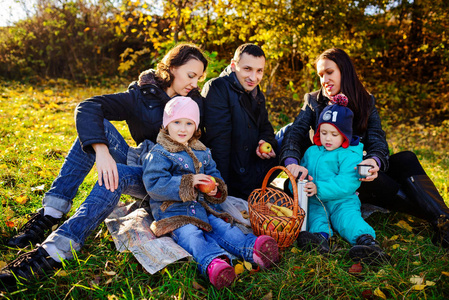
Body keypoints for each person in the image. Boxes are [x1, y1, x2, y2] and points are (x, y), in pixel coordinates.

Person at [0, 44, 208, 292]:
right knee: (95, 130)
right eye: (190, 75)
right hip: (141, 162)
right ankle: (51, 213)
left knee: (114, 176)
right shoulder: (143, 95)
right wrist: (101, 151)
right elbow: (88, 106)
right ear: (172, 68)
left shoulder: (197, 103)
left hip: (165, 180)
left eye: (199, 78)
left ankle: (55, 251)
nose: (195, 83)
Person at [280, 48, 449, 249]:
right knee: (361, 175)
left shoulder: (366, 101)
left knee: (405, 158)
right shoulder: (314, 101)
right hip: (333, 175)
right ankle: (430, 215)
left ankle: (444, 221)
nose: (324, 79)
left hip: (359, 170)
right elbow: (295, 133)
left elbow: (378, 140)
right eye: (320, 75)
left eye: (329, 72)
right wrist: (291, 163)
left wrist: (374, 160)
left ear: (344, 70)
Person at [142, 96, 279, 290]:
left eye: (189, 123)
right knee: (191, 236)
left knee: (224, 229)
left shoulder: (202, 151)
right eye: (177, 122)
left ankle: (254, 249)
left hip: (204, 208)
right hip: (175, 213)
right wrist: (189, 182)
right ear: (166, 125)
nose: (183, 129)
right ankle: (214, 264)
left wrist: (215, 189)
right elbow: (154, 184)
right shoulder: (160, 153)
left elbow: (214, 174)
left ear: (195, 126)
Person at [294, 94, 389, 264]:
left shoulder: (350, 154)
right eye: (324, 133)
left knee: (348, 220)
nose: (328, 138)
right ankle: (319, 240)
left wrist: (318, 187)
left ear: (344, 135)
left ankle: (367, 243)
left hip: (342, 201)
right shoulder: (311, 152)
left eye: (334, 134)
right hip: (316, 201)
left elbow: (348, 182)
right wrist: (299, 184)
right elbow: (302, 173)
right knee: (315, 217)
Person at [201, 43, 279, 200]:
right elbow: (218, 143)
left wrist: (265, 141)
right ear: (233, 65)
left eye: (259, 71)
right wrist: (222, 190)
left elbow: (266, 127)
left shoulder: (257, 94)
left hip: (253, 171)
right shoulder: (218, 88)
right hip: (231, 177)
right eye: (247, 69)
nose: (253, 77)